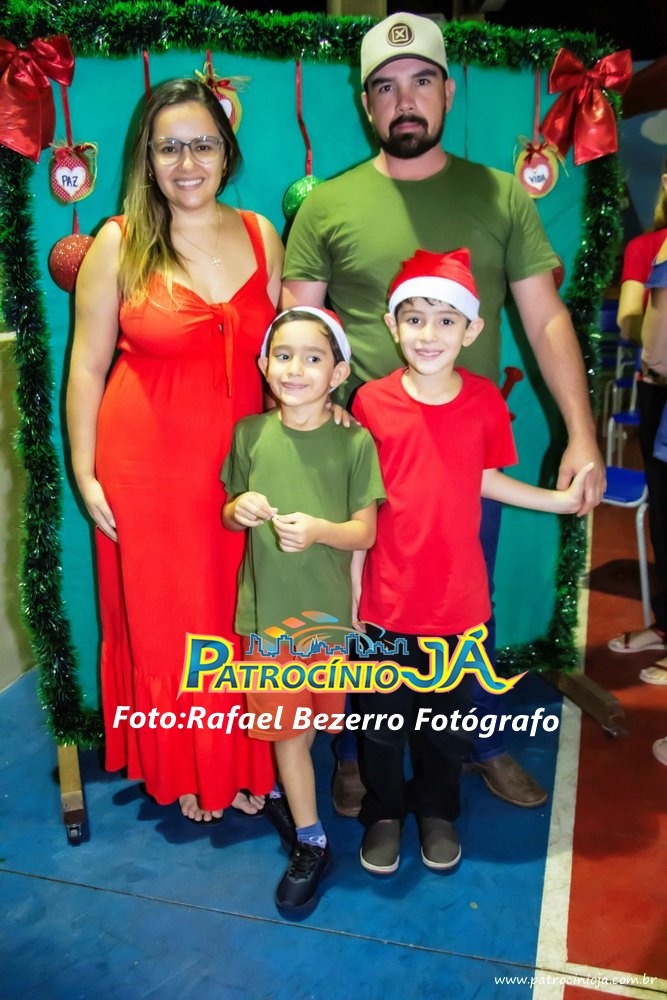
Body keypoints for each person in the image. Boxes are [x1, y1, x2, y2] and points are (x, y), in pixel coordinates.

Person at [281, 10, 605, 812]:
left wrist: (580, 432)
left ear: (448, 91)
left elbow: (545, 318)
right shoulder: (326, 206)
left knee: (463, 610)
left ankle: (473, 743)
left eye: (420, 81)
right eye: (384, 88)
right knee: (362, 613)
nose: (404, 101)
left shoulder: (500, 195)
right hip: (359, 461)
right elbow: (295, 331)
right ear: (365, 103)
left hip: (463, 459)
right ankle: (358, 751)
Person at [66, 78, 283, 823]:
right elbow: (86, 366)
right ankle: (186, 766)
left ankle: (243, 759)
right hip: (147, 470)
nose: (187, 163)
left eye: (202, 144)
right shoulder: (117, 242)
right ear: (147, 158)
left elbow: (285, 355)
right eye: (169, 148)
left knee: (236, 617)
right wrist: (84, 470)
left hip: (241, 470)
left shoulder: (261, 233)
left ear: (227, 152)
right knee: (171, 623)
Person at [352, 247, 594, 874]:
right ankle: (384, 812)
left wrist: (557, 500)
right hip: (386, 604)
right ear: (392, 325)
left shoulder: (484, 401)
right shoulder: (371, 403)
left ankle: (437, 811)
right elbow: (359, 504)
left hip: (458, 606)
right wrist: (352, 592)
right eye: (414, 318)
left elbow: (485, 478)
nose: (428, 334)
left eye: (445, 320)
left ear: (472, 329)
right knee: (379, 726)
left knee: (445, 725)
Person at [222, 306, 385, 912]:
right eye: (283, 355)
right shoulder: (248, 434)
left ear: (338, 373)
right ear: (264, 364)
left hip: (327, 620)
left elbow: (365, 531)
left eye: (313, 358)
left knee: (313, 722)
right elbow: (228, 511)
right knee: (288, 730)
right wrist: (237, 509)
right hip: (267, 621)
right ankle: (312, 839)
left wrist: (318, 530)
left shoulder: (355, 442)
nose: (295, 369)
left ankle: (295, 801)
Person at [607, 169, 667, 665]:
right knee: (663, 514)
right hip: (659, 391)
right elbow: (633, 327)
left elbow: (639, 330)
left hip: (659, 381)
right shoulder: (649, 247)